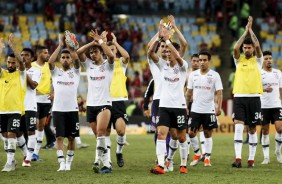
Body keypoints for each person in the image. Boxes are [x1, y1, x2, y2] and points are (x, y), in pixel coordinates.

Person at [148, 19, 189, 174]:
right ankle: (160, 165)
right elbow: (150, 53)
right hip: (164, 106)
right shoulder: (162, 65)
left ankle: (183, 165)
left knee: (181, 137)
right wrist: (159, 38)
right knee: (160, 133)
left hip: (178, 106)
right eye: (167, 51)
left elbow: (179, 56)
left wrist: (168, 39)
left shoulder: (182, 66)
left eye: (171, 51)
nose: (168, 53)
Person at [77, 29, 114, 173]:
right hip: (91, 105)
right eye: (91, 53)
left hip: (104, 104)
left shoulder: (108, 65)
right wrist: (92, 43)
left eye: (95, 52)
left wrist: (100, 42)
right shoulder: (89, 65)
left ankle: (97, 161)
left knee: (100, 132)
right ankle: (107, 164)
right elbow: (79, 52)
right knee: (100, 137)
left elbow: (111, 55)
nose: (92, 54)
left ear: (101, 53)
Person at [231, 16, 263, 168]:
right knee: (238, 126)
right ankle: (238, 158)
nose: (247, 49)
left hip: (255, 97)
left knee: (251, 129)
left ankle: (251, 159)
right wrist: (244, 33)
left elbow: (257, 45)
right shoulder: (239, 60)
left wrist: (250, 30)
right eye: (245, 47)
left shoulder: (258, 60)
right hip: (239, 96)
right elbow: (235, 48)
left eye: (249, 48)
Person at [48, 35, 81, 171]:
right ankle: (61, 163)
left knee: (71, 138)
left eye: (68, 57)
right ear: (60, 60)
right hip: (58, 110)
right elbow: (50, 62)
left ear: (71, 60)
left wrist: (71, 49)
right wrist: (60, 46)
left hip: (72, 109)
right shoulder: (56, 73)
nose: (66, 59)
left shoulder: (76, 71)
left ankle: (69, 162)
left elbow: (78, 61)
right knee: (59, 137)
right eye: (63, 57)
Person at [186, 51, 223, 167]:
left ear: (209, 62)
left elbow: (219, 93)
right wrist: (186, 106)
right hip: (195, 109)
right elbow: (188, 93)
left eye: (204, 60)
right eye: (200, 60)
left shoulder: (214, 75)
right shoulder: (193, 75)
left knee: (207, 133)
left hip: (209, 109)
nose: (201, 62)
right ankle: (197, 153)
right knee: (191, 133)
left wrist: (219, 107)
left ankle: (207, 157)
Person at [0, 33, 26, 172]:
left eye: (13, 62)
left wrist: (12, 46)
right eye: (9, 62)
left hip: (15, 111)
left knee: (11, 135)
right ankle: (13, 160)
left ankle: (9, 163)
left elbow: (22, 61)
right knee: (4, 136)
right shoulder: (2, 73)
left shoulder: (20, 73)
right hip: (2, 110)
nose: (10, 64)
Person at [106, 32, 130, 167]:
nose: (111, 52)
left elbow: (126, 56)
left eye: (113, 50)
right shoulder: (103, 64)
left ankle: (119, 152)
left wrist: (115, 43)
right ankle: (107, 159)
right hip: (106, 100)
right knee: (107, 131)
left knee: (121, 130)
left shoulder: (120, 63)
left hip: (119, 100)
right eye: (109, 50)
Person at [31, 46, 56, 161]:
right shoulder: (31, 66)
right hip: (34, 100)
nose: (48, 55)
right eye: (46, 53)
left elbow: (54, 82)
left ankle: (35, 154)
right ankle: (29, 152)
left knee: (41, 126)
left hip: (46, 101)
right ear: (39, 54)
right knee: (34, 125)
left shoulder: (49, 67)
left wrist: (53, 93)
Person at [260, 50, 282, 164]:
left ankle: (278, 152)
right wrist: (264, 89)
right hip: (263, 106)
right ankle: (266, 157)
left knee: (280, 129)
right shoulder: (259, 73)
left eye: (270, 58)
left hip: (277, 105)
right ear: (262, 61)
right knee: (265, 131)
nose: (268, 60)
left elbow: (281, 90)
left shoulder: (278, 73)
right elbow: (255, 89)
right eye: (266, 58)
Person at [21, 48, 42, 167]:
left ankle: (28, 159)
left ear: (32, 58)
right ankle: (26, 153)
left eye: (27, 55)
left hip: (30, 105)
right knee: (16, 132)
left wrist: (24, 72)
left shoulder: (36, 71)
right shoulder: (15, 70)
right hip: (17, 106)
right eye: (22, 55)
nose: (24, 57)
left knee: (31, 131)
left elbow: (33, 86)